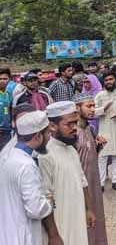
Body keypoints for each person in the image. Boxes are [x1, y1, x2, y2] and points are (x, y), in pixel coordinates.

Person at [41, 101, 96, 245]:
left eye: (75, 123)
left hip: (78, 215)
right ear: (52, 126)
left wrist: (89, 208)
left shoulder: (71, 149)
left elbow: (82, 180)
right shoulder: (45, 155)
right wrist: (53, 236)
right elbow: (45, 199)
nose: (74, 128)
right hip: (60, 222)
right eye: (69, 124)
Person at [0, 111, 54, 245]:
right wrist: (49, 202)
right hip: (23, 236)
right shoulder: (27, 165)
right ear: (37, 136)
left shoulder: (9, 156)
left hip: (8, 233)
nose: (49, 138)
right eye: (47, 133)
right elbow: (35, 209)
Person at [73, 93, 108, 245]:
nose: (93, 109)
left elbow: (90, 156)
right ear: (77, 108)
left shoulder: (90, 128)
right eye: (89, 106)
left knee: (96, 220)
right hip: (80, 188)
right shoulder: (72, 133)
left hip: (93, 184)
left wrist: (98, 146)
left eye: (94, 106)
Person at [0, 68, 12, 150]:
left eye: (5, 79)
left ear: (9, 79)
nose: (2, 81)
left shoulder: (9, 94)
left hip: (7, 130)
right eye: (0, 79)